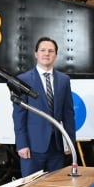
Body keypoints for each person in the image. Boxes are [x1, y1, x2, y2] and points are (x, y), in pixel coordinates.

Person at [12, 36, 76, 177]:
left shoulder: (64, 80)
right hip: (32, 147)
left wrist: (69, 142)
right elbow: (19, 115)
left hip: (57, 147)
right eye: (43, 50)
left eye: (51, 51)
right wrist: (22, 144)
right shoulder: (23, 80)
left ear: (56, 55)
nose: (46, 54)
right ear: (36, 54)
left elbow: (68, 114)